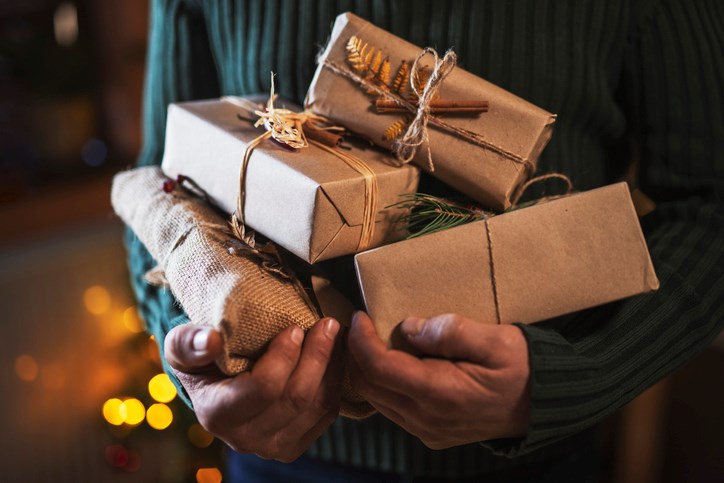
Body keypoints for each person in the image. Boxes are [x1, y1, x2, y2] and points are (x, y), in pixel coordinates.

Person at [126, 0, 724, 481]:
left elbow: (710, 206)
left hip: (534, 457)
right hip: (278, 459)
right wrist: (196, 361)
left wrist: (576, 378)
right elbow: (160, 187)